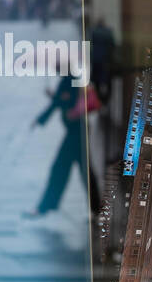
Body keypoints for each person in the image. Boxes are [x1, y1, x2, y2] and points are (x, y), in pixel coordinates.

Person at [26, 72, 101, 218]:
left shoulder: (69, 80)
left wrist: (53, 101)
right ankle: (96, 209)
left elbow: (65, 101)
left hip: (76, 133)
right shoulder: (71, 79)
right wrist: (57, 97)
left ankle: (45, 207)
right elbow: (64, 99)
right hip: (77, 132)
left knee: (61, 169)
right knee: (78, 171)